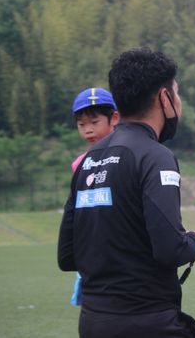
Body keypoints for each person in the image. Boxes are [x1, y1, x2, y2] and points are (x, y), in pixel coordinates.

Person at [58, 47, 195, 338]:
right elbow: (169, 248)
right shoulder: (156, 156)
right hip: (149, 323)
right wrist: (194, 242)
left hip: (92, 323)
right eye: (176, 93)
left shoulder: (87, 161)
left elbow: (67, 256)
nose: (178, 102)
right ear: (164, 98)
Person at [69, 87, 119, 306]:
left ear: (114, 119)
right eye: (81, 124)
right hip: (92, 250)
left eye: (94, 122)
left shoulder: (124, 156)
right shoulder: (79, 164)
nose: (88, 130)